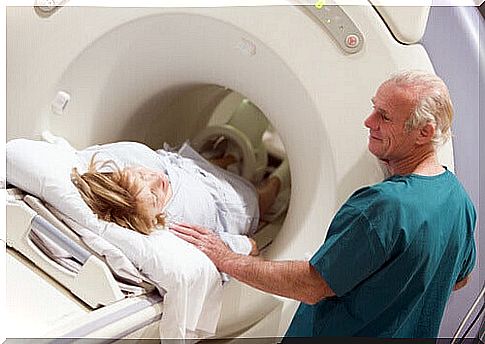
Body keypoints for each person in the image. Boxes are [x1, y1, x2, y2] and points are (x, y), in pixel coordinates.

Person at [169, 70, 477, 338]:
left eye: (384, 116)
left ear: (424, 132)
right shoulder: (459, 201)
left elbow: (311, 285)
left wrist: (226, 258)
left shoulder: (384, 206)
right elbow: (460, 278)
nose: (368, 121)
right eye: (374, 108)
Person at [71, 142, 290, 257]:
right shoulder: (175, 228)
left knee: (218, 161)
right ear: (152, 219)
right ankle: (283, 172)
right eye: (155, 197)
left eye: (141, 175)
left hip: (190, 168)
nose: (157, 180)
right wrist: (245, 246)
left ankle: (233, 155)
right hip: (231, 203)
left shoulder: (126, 171)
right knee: (264, 195)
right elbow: (244, 246)